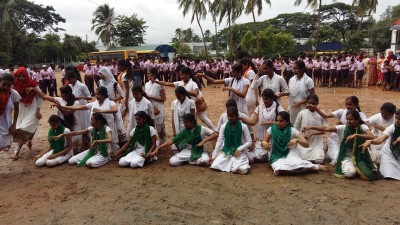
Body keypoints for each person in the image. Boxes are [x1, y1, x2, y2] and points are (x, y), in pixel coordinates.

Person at [304, 110, 378, 180]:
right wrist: (311, 127)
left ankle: (358, 166)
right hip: (346, 156)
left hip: (360, 155)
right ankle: (350, 166)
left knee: (372, 171)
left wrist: (356, 135)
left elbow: (372, 136)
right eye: (347, 119)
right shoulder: (342, 128)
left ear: (357, 120)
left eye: (351, 119)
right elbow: (326, 128)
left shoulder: (362, 127)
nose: (348, 121)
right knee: (350, 174)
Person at [261, 111, 326, 175]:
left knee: (297, 164)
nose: (278, 123)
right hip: (275, 155)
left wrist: (297, 140)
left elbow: (306, 144)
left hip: (290, 154)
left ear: (287, 122)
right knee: (279, 170)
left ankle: (314, 167)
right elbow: (264, 142)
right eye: (277, 121)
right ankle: (309, 168)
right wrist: (264, 143)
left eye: (281, 121)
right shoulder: (272, 129)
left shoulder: (292, 130)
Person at [308, 96, 368, 164]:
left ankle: (327, 150)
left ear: (356, 105)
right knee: (336, 159)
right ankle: (328, 150)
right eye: (346, 104)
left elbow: (364, 127)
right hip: (337, 138)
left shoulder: (361, 115)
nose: (347, 106)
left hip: (353, 139)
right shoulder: (341, 112)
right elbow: (326, 116)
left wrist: (348, 126)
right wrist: (315, 108)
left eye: (350, 104)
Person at [154, 66, 215, 130]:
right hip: (188, 105)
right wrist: (155, 81)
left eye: (182, 74)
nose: (180, 76)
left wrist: (184, 90)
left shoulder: (193, 83)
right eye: (180, 74)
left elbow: (195, 93)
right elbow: (167, 83)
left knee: (203, 119)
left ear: (187, 75)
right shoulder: (181, 83)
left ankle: (214, 130)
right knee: (190, 120)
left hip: (196, 103)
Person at [58, 86, 119, 151]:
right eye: (95, 94)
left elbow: (115, 109)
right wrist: (63, 106)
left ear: (103, 95)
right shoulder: (94, 103)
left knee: (111, 143)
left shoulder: (110, 102)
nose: (96, 96)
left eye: (98, 94)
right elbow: (78, 107)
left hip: (108, 126)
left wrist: (100, 111)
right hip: (96, 127)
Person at [240, 89, 285, 163]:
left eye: (266, 99)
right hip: (260, 140)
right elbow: (253, 122)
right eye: (263, 99)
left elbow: (284, 123)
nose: (264, 101)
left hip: (274, 139)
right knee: (254, 157)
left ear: (271, 99)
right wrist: (241, 118)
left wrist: (269, 122)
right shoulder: (259, 107)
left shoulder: (278, 108)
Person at [12, 67, 42, 160]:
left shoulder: (32, 83)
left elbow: (39, 97)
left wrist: (38, 110)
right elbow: (13, 98)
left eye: (23, 76)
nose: (21, 78)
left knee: (27, 126)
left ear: (26, 75)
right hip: (21, 108)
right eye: (19, 76)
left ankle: (26, 142)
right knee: (20, 128)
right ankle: (17, 151)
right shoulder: (14, 85)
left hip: (32, 106)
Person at [210, 107, 252, 174]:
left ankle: (237, 166)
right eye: (228, 116)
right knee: (215, 165)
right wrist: (213, 156)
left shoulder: (243, 126)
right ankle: (233, 165)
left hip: (239, 152)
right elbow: (220, 141)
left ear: (237, 116)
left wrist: (239, 149)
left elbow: (249, 141)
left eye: (232, 116)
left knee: (242, 169)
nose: (230, 118)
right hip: (227, 151)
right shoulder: (223, 126)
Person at [361, 109, 400, 180]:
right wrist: (370, 141)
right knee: (388, 173)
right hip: (389, 151)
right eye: (396, 118)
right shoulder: (392, 127)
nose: (397, 121)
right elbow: (380, 140)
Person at [294, 94, 326, 164]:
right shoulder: (302, 113)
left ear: (317, 103)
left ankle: (321, 151)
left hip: (316, 144)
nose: (311, 105)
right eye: (309, 103)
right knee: (300, 158)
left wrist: (312, 133)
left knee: (319, 161)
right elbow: (295, 129)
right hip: (304, 143)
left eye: (313, 103)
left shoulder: (322, 114)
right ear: (306, 103)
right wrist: (300, 138)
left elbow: (325, 130)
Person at [98, 66, 126, 145]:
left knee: (115, 123)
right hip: (102, 105)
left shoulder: (114, 83)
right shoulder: (99, 83)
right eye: (99, 74)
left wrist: (112, 101)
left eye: (101, 74)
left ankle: (115, 140)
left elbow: (122, 95)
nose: (100, 76)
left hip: (112, 106)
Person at [283, 60, 315, 124]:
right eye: (293, 68)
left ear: (302, 69)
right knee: (293, 124)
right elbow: (291, 92)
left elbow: (313, 97)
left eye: (296, 68)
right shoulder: (292, 80)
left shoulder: (308, 80)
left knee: (303, 125)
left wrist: (301, 102)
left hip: (303, 108)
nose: (293, 70)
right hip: (292, 107)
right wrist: (284, 93)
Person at [145, 67, 166, 143]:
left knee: (159, 126)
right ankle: (153, 142)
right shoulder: (147, 84)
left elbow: (163, 99)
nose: (148, 75)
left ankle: (162, 141)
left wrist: (151, 97)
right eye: (147, 73)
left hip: (158, 107)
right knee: (151, 126)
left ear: (154, 74)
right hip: (149, 107)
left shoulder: (159, 84)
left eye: (149, 73)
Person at [0, 74, 20, 151]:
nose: (6, 87)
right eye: (4, 84)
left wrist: (14, 125)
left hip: (5, 124)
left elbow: (17, 109)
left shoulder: (13, 94)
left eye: (9, 85)